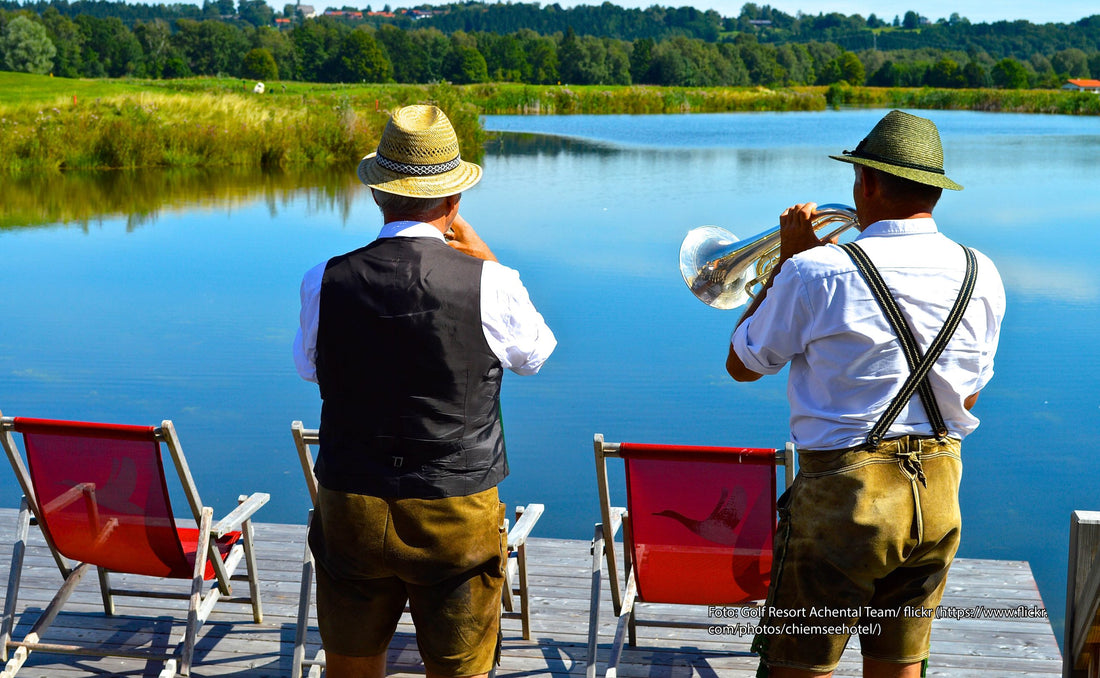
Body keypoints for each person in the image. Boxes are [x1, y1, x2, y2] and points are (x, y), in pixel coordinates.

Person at [725, 110, 1006, 678]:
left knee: (798, 667)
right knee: (897, 665)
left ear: (868, 183)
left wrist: (787, 262)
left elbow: (743, 363)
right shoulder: (984, 273)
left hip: (842, 503)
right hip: (937, 498)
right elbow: (966, 401)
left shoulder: (817, 271)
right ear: (934, 191)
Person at [293, 104, 556, 678]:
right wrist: (488, 261)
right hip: (454, 510)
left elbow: (310, 369)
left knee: (349, 667)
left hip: (350, 502)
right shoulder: (492, 281)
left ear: (378, 195)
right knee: (458, 670)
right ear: (454, 201)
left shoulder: (325, 277)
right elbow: (535, 356)